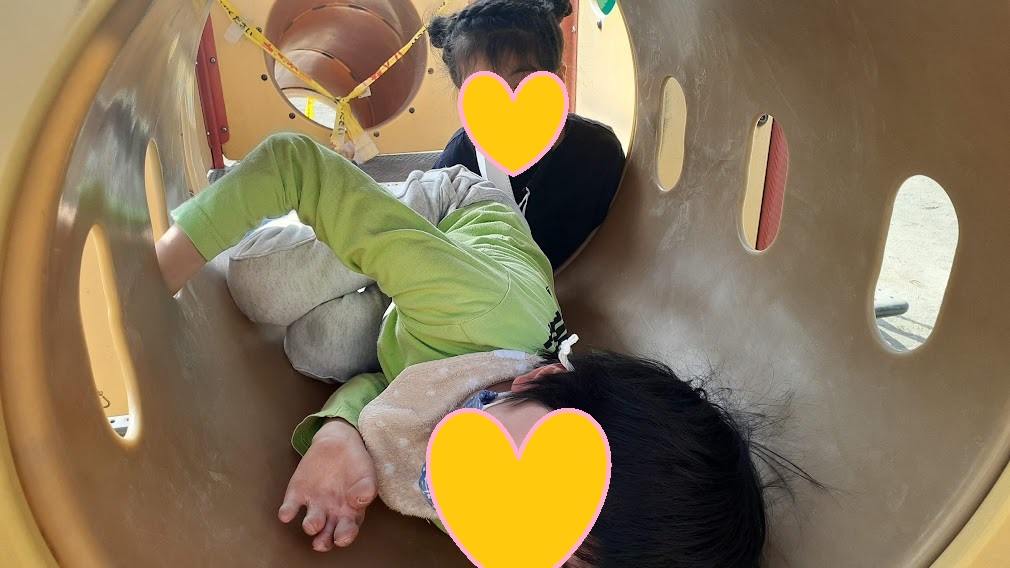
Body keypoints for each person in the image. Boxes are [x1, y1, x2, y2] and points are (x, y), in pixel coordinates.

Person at [156, 133, 787, 567]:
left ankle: (375, 284)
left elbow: (397, 398)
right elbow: (296, 162)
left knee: (315, 349)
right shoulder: (475, 307)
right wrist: (158, 272)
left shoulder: (491, 514)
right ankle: (320, 228)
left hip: (426, 329)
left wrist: (340, 433)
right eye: (545, 487)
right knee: (262, 288)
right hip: (458, 222)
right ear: (533, 382)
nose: (519, 530)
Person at [428, 0, 627, 269]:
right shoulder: (459, 160)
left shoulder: (599, 152)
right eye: (485, 95)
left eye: (523, 86)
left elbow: (622, 236)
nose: (507, 109)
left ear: (559, 79)